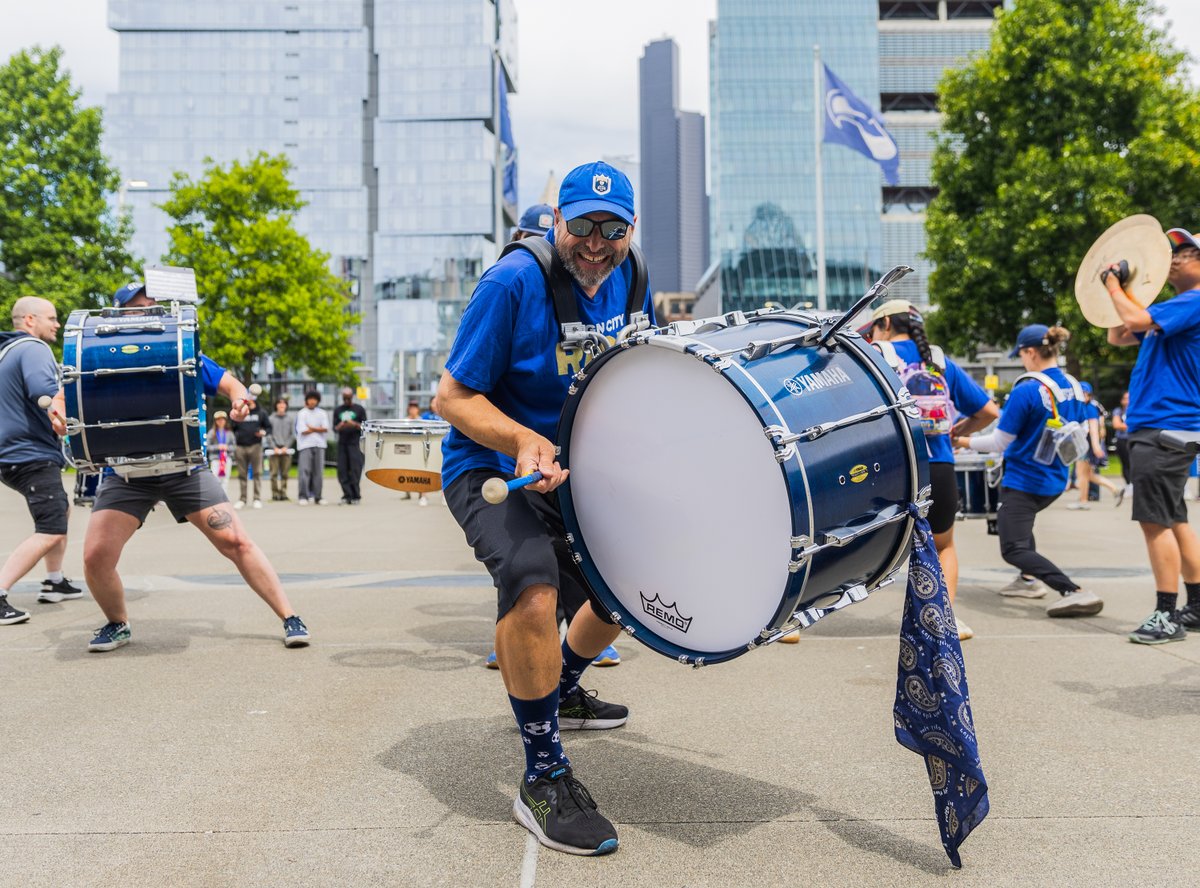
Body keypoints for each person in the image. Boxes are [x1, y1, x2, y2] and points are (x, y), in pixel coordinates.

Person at [436, 161, 653, 856]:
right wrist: (524, 438)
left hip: (577, 468)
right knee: (533, 586)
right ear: (555, 221)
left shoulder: (634, 275)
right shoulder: (512, 282)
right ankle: (544, 773)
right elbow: (451, 398)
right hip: (492, 466)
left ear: (630, 230)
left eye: (610, 228)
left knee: (631, 585)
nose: (595, 243)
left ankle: (561, 687)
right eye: (581, 226)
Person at [82, 281, 310, 651]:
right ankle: (117, 623)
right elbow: (65, 391)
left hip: (183, 466)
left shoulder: (181, 351)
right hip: (125, 473)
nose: (149, 309)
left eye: (152, 303)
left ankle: (290, 616)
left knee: (235, 541)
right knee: (95, 557)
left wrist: (239, 401)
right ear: (120, 312)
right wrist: (59, 411)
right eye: (139, 305)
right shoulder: (94, 355)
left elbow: (231, 384)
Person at [869, 299, 999, 640]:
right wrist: (958, 434)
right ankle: (945, 619)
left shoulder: (872, 356)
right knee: (943, 545)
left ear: (883, 324)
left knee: (848, 543)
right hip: (938, 464)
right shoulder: (940, 361)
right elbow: (988, 412)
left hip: (887, 467)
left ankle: (803, 621)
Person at [954, 325, 1103, 618]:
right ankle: (1027, 580)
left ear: (1031, 352)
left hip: (1024, 481)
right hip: (1056, 478)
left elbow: (999, 442)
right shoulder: (1073, 385)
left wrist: (960, 440)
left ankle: (1073, 591)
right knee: (1023, 527)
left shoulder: (1027, 389)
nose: (1021, 359)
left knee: (1013, 547)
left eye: (1021, 354)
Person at [1102, 227, 1200, 643]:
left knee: (1154, 520)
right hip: (1166, 426)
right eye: (1174, 250)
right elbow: (1118, 331)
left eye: (1188, 251)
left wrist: (1111, 281)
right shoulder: (1175, 309)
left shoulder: (1193, 301)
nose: (1176, 256)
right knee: (1174, 518)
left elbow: (1135, 319)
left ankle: (1166, 614)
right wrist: (1125, 288)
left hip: (1162, 425)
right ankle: (1195, 606)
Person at [0, 296, 82, 626]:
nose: (57, 324)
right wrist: (61, 413)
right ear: (30, 320)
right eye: (52, 318)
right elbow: (45, 392)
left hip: (13, 453)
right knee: (50, 527)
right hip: (29, 453)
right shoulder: (33, 349)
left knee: (60, 509)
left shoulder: (6, 352)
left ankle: (54, 581)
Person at [1069, 382, 1119, 510]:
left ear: (1089, 394)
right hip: (1085, 444)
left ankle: (1083, 501)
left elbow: (1093, 428)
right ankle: (1115, 489)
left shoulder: (1090, 408)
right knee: (1088, 475)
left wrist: (1096, 446)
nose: (1082, 395)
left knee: (1081, 474)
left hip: (1086, 445)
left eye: (1084, 393)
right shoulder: (1084, 406)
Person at [230, 390, 269, 509]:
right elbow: (232, 426)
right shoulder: (240, 411)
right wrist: (237, 413)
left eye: (252, 397)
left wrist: (263, 432)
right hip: (240, 446)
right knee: (242, 474)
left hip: (256, 446)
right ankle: (243, 499)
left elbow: (268, 427)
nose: (250, 399)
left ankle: (257, 499)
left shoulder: (261, 413)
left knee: (257, 473)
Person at [333, 387, 367, 505]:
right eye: (344, 397)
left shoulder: (359, 409)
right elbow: (335, 427)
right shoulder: (338, 410)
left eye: (348, 397)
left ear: (352, 396)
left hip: (355, 444)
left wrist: (354, 424)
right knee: (342, 471)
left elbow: (364, 426)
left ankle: (355, 495)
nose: (346, 399)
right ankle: (347, 495)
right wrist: (341, 425)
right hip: (343, 444)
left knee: (355, 470)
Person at [295, 391, 329, 505]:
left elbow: (325, 428)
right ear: (307, 400)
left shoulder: (322, 413)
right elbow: (303, 431)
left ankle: (318, 496)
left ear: (318, 400)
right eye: (310, 399)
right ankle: (303, 496)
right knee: (304, 471)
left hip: (320, 445)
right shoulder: (302, 413)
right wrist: (317, 429)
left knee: (318, 472)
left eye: (315, 399)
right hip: (305, 445)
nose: (312, 401)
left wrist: (311, 428)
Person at [267, 398, 295, 502]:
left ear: (286, 406)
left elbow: (293, 435)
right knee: (273, 473)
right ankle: (275, 494)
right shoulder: (271, 418)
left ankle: (283, 493)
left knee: (285, 473)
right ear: (276, 405)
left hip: (286, 449)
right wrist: (274, 447)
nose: (282, 405)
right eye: (280, 403)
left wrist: (286, 447)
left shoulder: (290, 419)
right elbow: (268, 434)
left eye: (284, 404)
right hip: (274, 449)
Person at [1110, 390, 1132, 502]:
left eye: (1129, 398)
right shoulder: (1118, 411)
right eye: (1125, 398)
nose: (1127, 401)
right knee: (1125, 463)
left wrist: (1126, 425)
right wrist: (1129, 425)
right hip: (1122, 440)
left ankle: (1135, 485)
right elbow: (1116, 424)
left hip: (1133, 439)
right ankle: (1129, 485)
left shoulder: (1135, 410)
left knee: (1134, 463)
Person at [206, 411, 234, 491]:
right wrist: (217, 447)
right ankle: (217, 499)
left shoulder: (229, 433)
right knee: (215, 480)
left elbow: (234, 446)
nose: (221, 421)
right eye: (218, 420)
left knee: (225, 480)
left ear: (225, 421)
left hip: (226, 459)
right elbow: (207, 446)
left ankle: (224, 499)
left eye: (222, 419)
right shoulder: (211, 433)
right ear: (215, 421)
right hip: (215, 459)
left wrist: (227, 447)